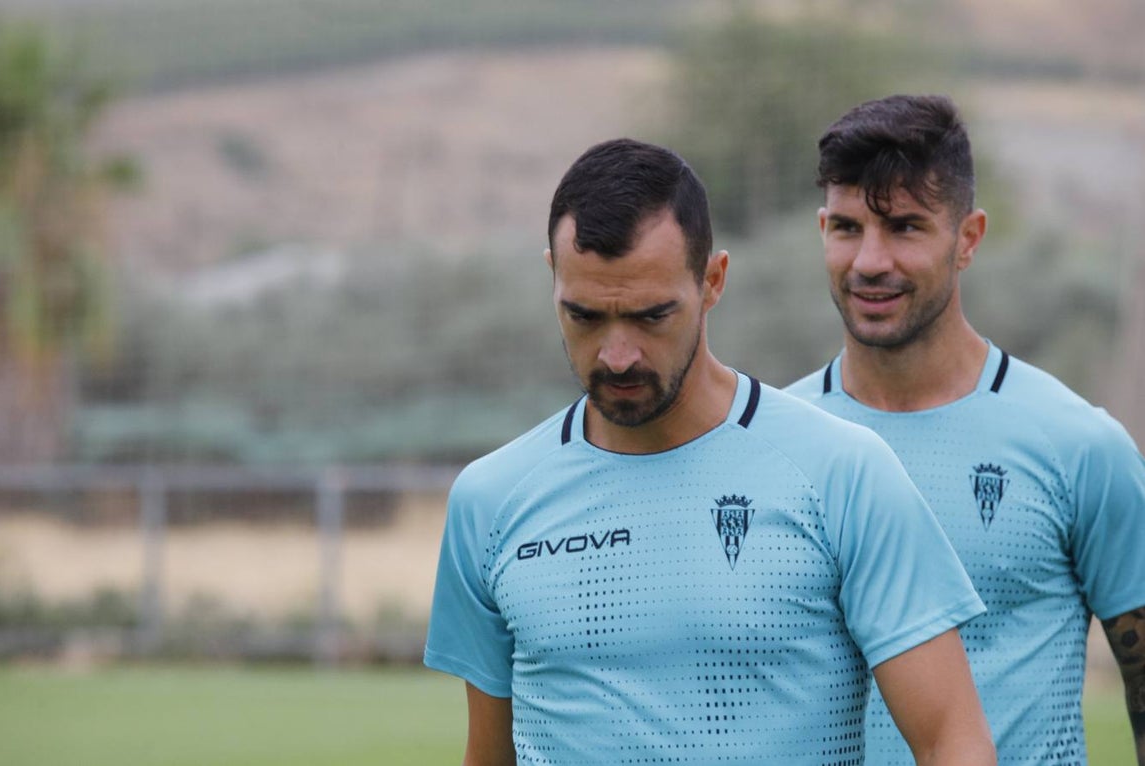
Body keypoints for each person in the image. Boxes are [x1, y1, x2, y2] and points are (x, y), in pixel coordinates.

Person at [425, 137, 996, 765]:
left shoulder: (842, 473)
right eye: (585, 317)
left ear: (713, 281)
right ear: (553, 282)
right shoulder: (490, 500)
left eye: (651, 316)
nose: (617, 355)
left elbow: (952, 741)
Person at [786, 94, 1145, 765]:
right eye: (846, 227)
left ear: (969, 238)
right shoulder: (774, 447)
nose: (869, 260)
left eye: (904, 227)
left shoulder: (1078, 447)